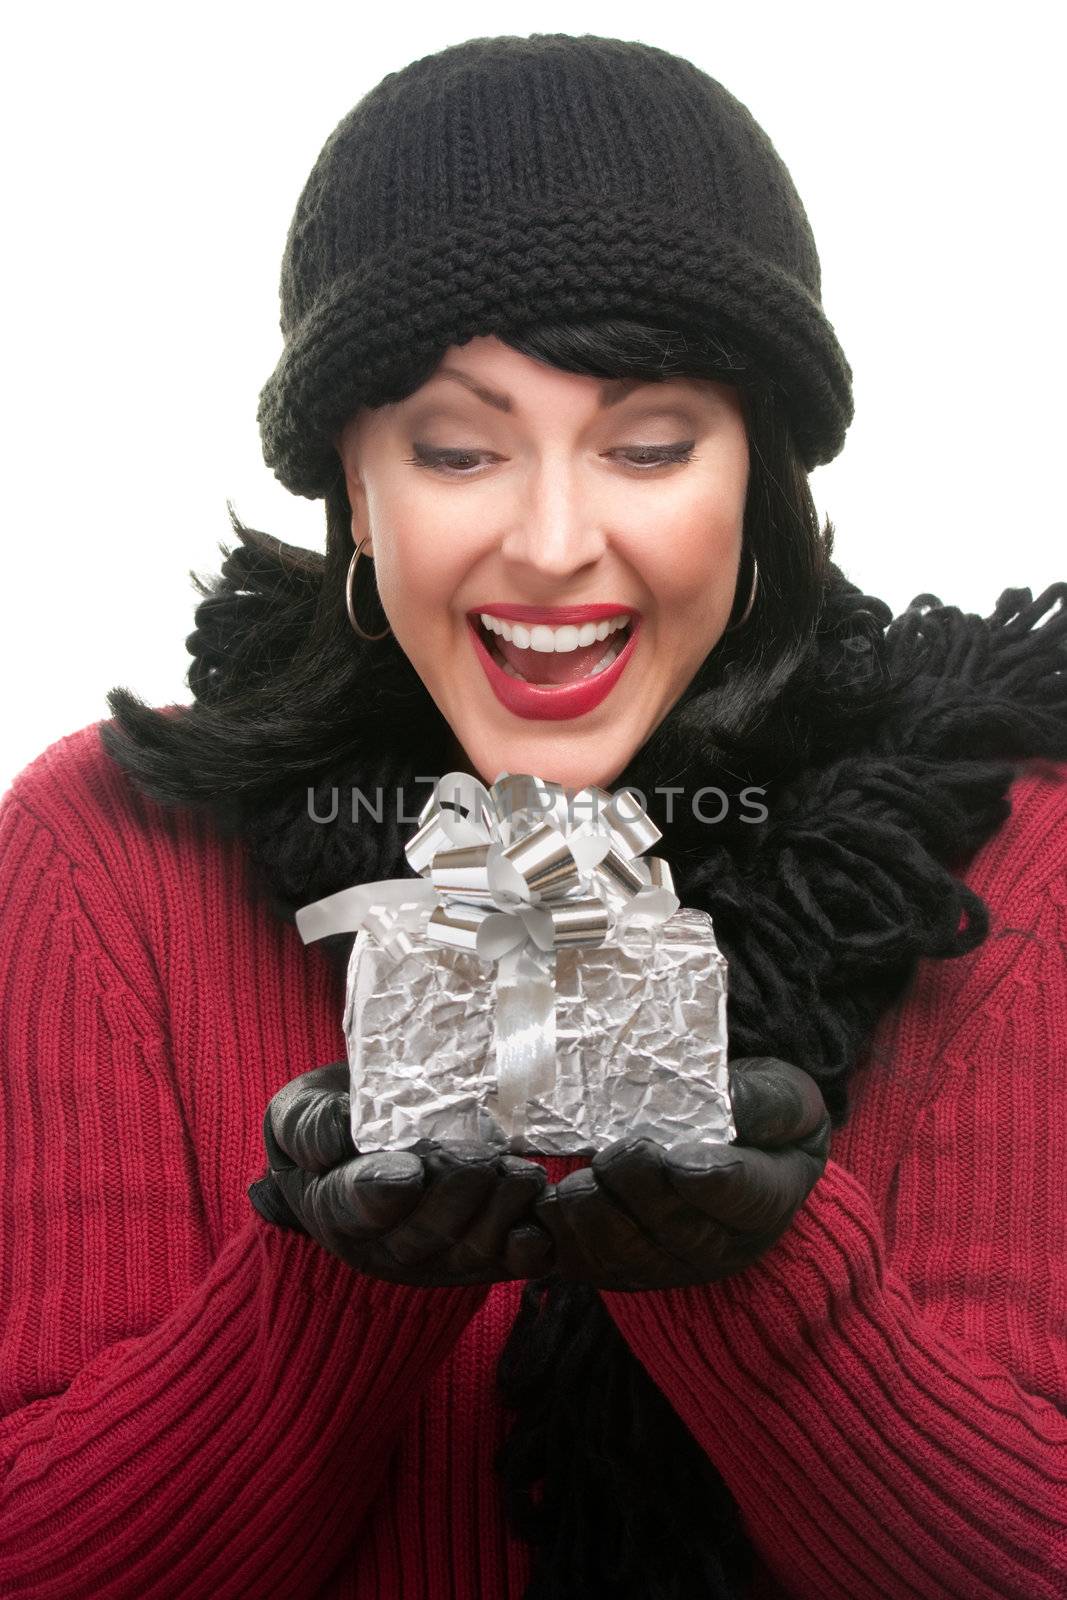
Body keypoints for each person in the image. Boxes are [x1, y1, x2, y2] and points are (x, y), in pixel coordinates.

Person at [1, 31, 1064, 1600]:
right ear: (354, 489)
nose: (555, 541)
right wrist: (324, 1293)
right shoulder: (99, 854)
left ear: (759, 473)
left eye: (648, 445)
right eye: (455, 448)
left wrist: (761, 1293)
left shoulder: (999, 858)